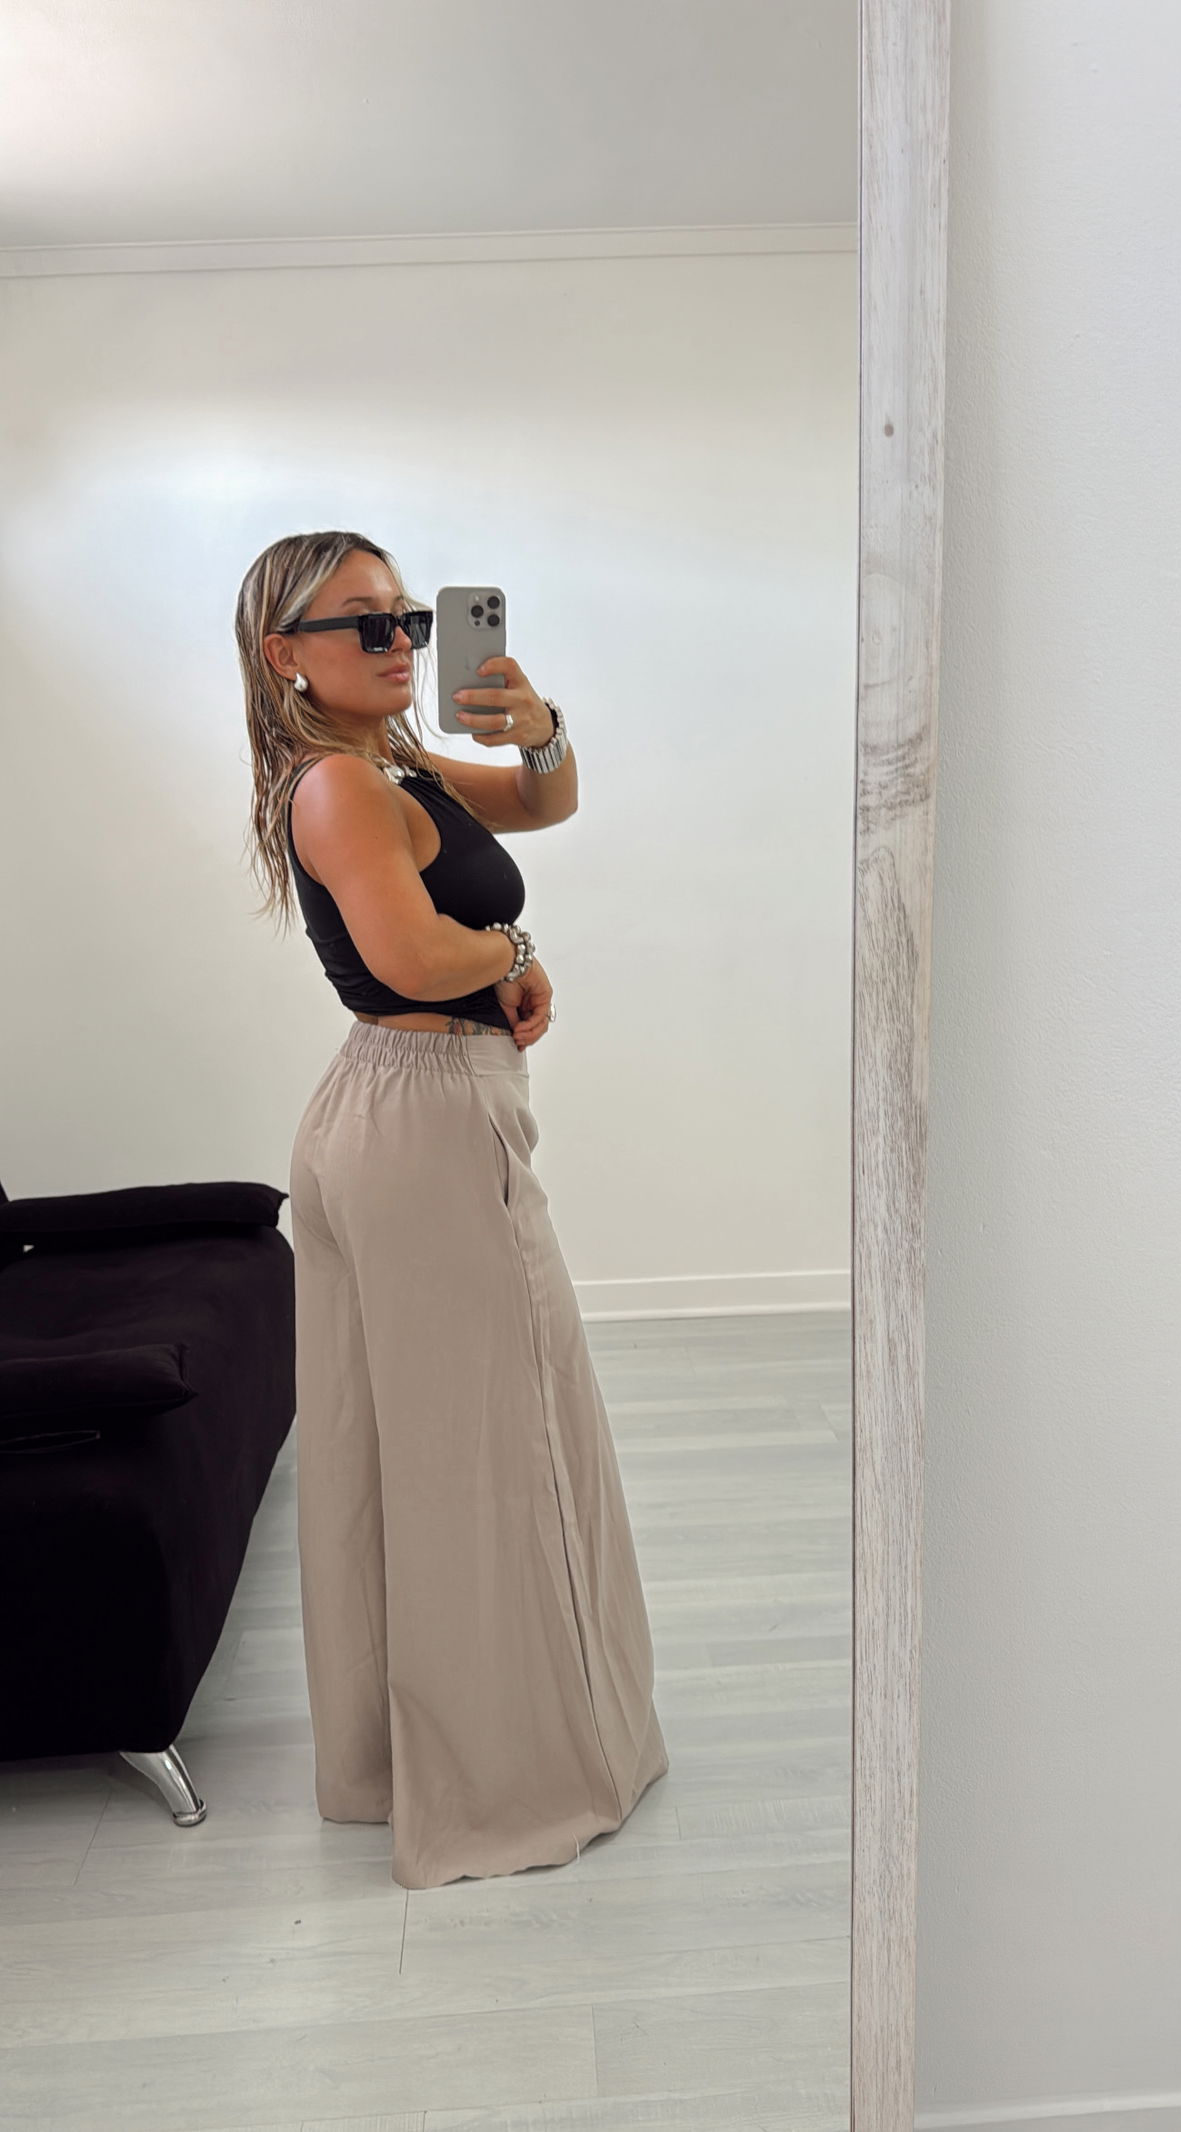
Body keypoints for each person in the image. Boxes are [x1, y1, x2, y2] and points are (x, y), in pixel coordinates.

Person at [235, 529, 669, 1889]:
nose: (400, 642)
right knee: (485, 1447)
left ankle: (416, 1761)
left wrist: (542, 729)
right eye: (363, 623)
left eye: (409, 617)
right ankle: (503, 1780)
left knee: (416, 1445)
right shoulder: (338, 787)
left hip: (403, 1105)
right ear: (285, 653)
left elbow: (543, 804)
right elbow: (412, 952)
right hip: (420, 1120)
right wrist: (517, 951)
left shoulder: (392, 764)